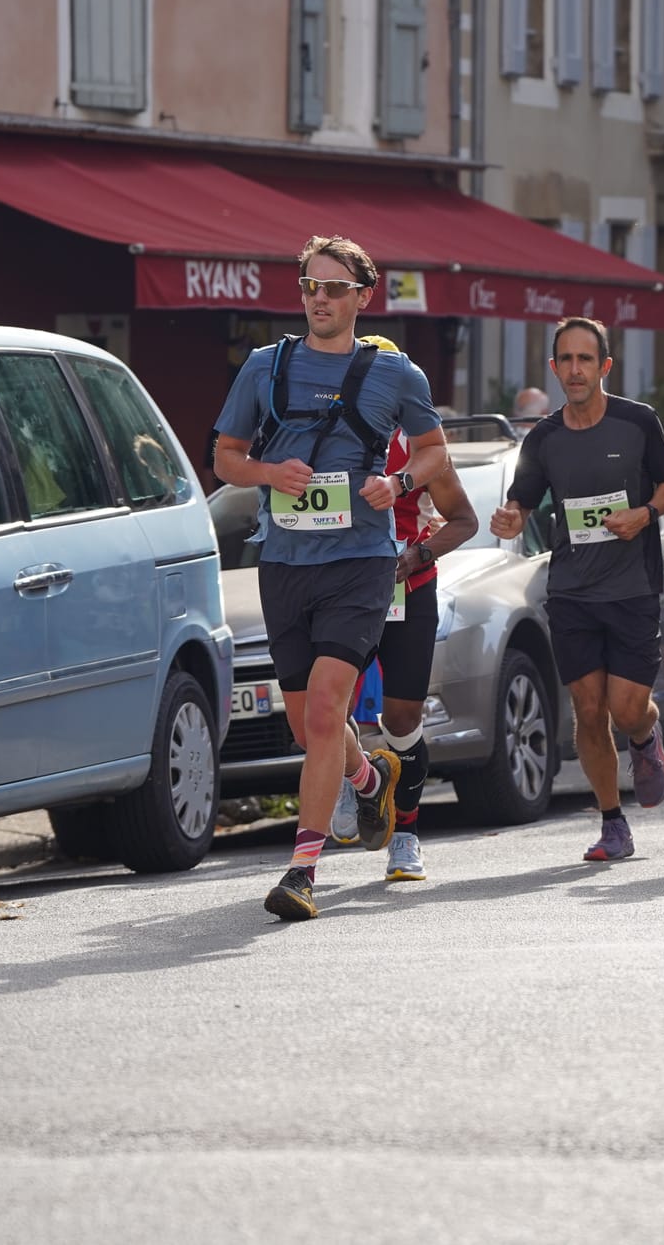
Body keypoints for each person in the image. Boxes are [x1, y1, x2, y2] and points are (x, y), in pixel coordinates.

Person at [213, 235, 448, 921]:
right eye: (310, 286)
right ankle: (372, 775)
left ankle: (302, 870)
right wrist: (266, 473)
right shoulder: (264, 367)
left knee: (324, 709)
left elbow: (434, 451)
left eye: (334, 288)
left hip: (361, 563)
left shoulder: (395, 373)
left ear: (361, 298)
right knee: (304, 722)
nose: (319, 298)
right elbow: (226, 456)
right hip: (285, 564)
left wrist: (397, 481)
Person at [488, 317, 664, 861]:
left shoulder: (637, 422)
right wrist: (510, 517)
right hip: (571, 589)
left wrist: (643, 515)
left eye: (585, 360)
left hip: (632, 587)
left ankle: (645, 738)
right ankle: (612, 823)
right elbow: (522, 499)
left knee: (626, 708)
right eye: (565, 360)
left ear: (605, 367)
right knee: (589, 709)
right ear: (554, 368)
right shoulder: (543, 438)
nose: (574, 370)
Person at [329, 419, 481, 880]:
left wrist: (419, 555)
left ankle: (406, 837)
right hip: (345, 590)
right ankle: (352, 776)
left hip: (409, 591)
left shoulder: (419, 447)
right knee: (330, 706)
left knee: (401, 720)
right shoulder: (326, 438)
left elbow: (465, 520)